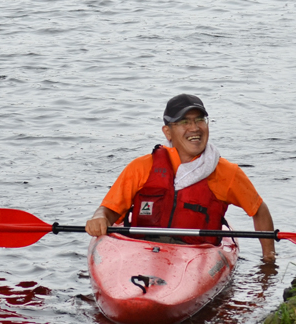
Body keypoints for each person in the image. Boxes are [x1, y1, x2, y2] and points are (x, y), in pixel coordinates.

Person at [85, 94, 276, 263]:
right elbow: (109, 210)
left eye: (200, 120)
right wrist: (99, 217)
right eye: (184, 122)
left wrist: (269, 258)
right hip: (141, 252)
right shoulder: (142, 167)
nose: (194, 128)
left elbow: (259, 211)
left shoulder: (227, 172)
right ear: (167, 132)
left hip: (195, 257)